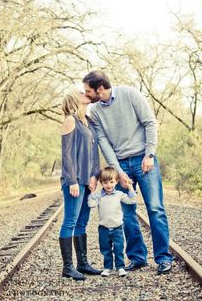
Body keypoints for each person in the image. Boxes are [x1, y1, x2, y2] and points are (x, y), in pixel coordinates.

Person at [83, 70, 173, 275]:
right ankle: (138, 257)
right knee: (126, 213)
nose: (86, 94)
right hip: (121, 163)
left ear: (100, 89)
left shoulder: (130, 94)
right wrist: (117, 171)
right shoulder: (95, 111)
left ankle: (163, 258)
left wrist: (150, 154)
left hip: (144, 160)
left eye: (88, 91)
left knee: (155, 209)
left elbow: (150, 123)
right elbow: (103, 142)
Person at [59, 87, 102, 281]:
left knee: (82, 222)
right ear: (74, 99)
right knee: (70, 221)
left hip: (88, 180)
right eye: (80, 92)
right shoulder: (71, 120)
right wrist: (72, 180)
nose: (85, 92)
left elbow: (93, 154)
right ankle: (67, 267)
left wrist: (95, 176)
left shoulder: (89, 123)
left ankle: (82, 263)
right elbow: (67, 154)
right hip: (75, 181)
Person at [88, 166, 136, 277]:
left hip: (117, 228)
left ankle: (120, 267)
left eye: (111, 182)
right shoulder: (99, 196)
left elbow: (132, 200)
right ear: (101, 183)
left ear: (117, 181)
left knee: (119, 249)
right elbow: (91, 204)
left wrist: (130, 188)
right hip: (103, 228)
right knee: (106, 250)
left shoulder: (119, 194)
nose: (108, 185)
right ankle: (107, 268)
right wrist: (92, 193)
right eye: (105, 182)